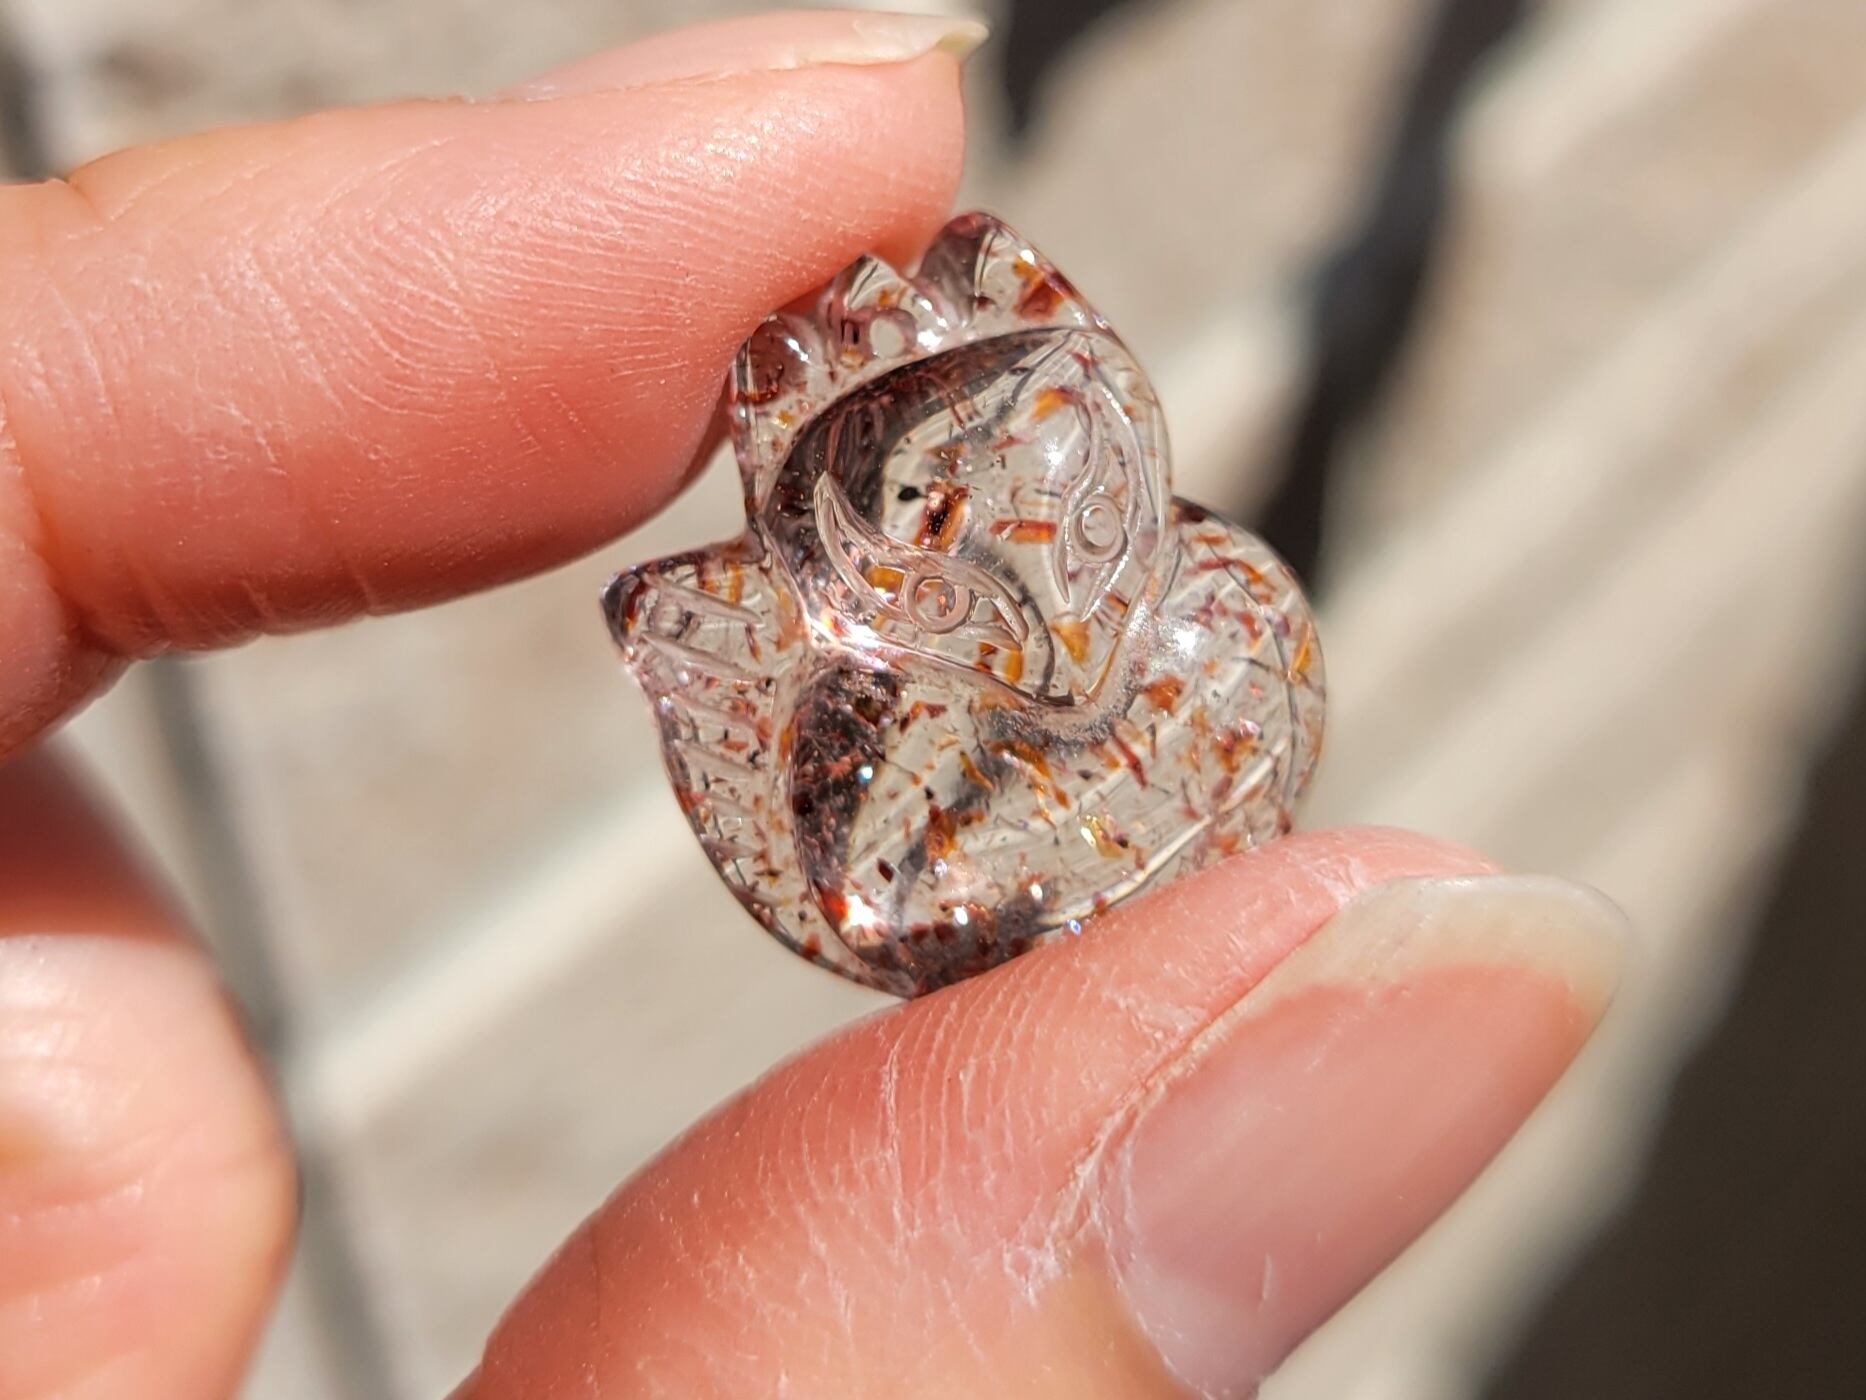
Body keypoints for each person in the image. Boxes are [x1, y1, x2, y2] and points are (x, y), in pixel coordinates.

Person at [0, 11, 1626, 1397]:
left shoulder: (1221, 617)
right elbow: (869, 860)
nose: (1051, 622)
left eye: (1079, 518)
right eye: (950, 575)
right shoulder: (869, 764)